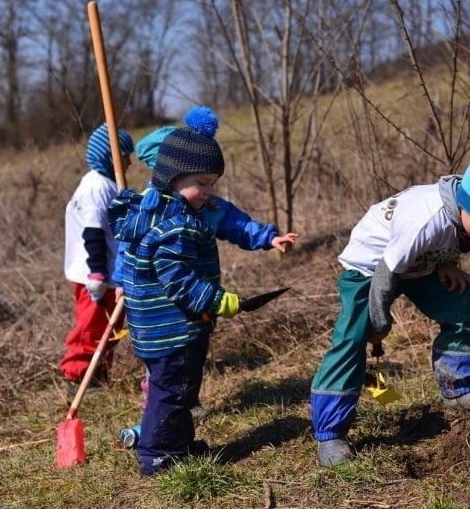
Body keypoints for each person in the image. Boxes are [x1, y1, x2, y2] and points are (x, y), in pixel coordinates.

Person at [108, 106, 298, 476]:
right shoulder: (175, 225)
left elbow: (232, 224)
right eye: (204, 183)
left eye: (212, 183)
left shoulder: (158, 211)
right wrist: (217, 300)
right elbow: (177, 279)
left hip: (161, 327)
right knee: (172, 392)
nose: (209, 192)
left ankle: (177, 444)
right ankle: (159, 456)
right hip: (171, 328)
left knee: (177, 391)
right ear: (175, 177)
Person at [309, 151, 470, 467]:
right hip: (370, 269)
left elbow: (448, 238)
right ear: (466, 203)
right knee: (351, 341)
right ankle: (330, 434)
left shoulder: (466, 213)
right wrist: (379, 322)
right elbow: (386, 273)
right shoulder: (424, 218)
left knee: (465, 306)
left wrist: (447, 262)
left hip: (417, 266)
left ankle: (459, 391)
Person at [59, 123, 134, 393]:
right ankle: (77, 377)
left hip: (110, 272)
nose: (129, 162)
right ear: (110, 156)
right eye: (125, 155)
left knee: (109, 326)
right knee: (91, 327)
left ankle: (98, 374)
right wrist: (97, 274)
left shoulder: (107, 183)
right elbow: (93, 232)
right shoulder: (96, 187)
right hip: (95, 274)